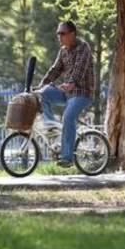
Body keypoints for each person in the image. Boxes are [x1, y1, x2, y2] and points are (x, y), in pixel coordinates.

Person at [36, 21, 95, 167]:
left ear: (72, 34)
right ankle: (51, 129)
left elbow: (79, 69)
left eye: (62, 33)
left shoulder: (83, 48)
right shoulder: (63, 51)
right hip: (67, 92)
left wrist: (72, 83)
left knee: (68, 117)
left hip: (82, 93)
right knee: (42, 94)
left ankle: (67, 158)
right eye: (58, 34)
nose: (59, 36)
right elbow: (55, 70)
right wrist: (41, 85)